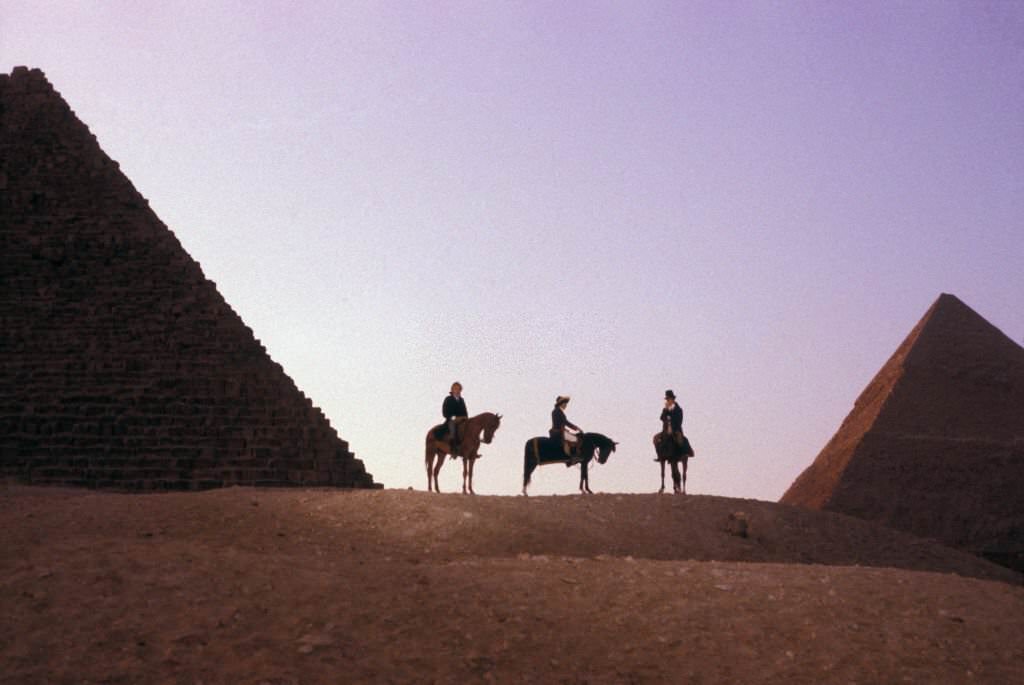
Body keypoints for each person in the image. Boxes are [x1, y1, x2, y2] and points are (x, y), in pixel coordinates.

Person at [550, 395, 582, 463]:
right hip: (559, 432)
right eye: (565, 404)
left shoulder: (558, 411)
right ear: (561, 404)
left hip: (559, 431)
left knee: (573, 438)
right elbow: (565, 422)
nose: (566, 406)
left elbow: (565, 422)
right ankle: (573, 457)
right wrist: (576, 428)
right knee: (576, 439)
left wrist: (575, 428)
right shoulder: (557, 411)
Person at [442, 382, 468, 456]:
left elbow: (465, 411)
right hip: (451, 420)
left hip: (462, 419)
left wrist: (466, 418)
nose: (457, 391)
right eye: (456, 389)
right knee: (452, 427)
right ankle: (453, 448)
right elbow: (445, 411)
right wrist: (452, 417)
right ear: (452, 390)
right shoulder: (448, 399)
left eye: (459, 389)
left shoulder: (462, 400)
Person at [658, 389, 684, 460]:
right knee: (657, 439)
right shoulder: (666, 408)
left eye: (669, 399)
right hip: (666, 429)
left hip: (675, 429)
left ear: (672, 399)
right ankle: (660, 456)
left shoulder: (678, 409)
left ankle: (682, 454)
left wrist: (674, 427)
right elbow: (661, 418)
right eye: (667, 399)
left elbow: (679, 421)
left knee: (680, 440)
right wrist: (666, 409)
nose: (668, 400)